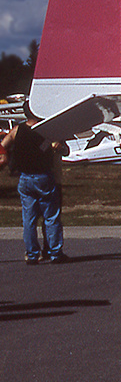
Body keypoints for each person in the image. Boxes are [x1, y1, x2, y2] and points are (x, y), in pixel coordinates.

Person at [2, 103, 68, 264]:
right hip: (44, 176)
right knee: (51, 216)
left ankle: (32, 254)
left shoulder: (17, 130)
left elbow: (3, 145)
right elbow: (64, 150)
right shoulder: (47, 130)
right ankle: (54, 252)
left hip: (25, 177)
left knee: (29, 218)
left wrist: (5, 158)